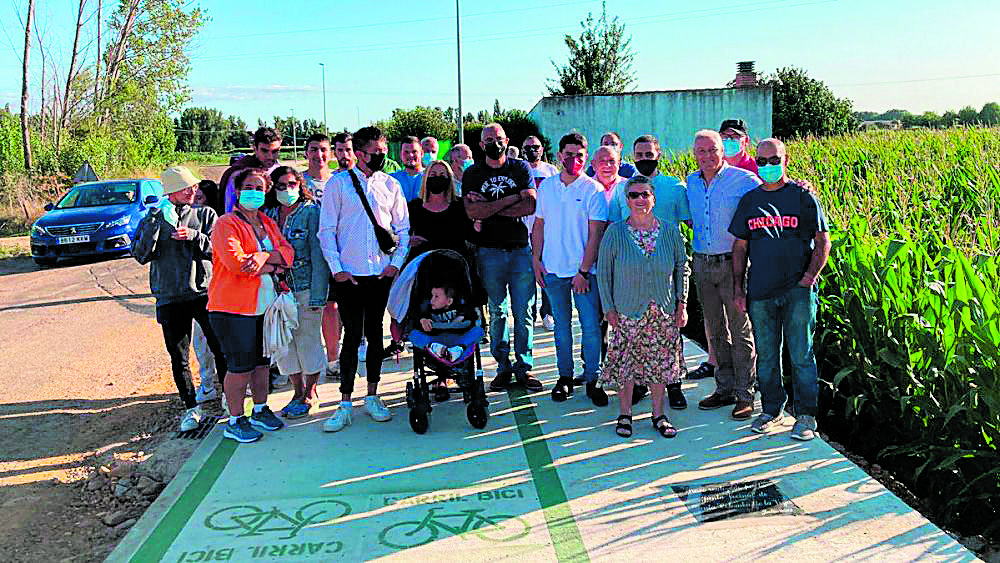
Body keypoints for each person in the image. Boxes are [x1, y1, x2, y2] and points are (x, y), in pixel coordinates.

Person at [730, 138, 831, 441]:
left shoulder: (802, 197)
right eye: (762, 161)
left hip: (798, 291)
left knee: (801, 353)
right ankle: (771, 409)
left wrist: (809, 277)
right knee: (767, 354)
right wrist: (739, 288)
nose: (768, 166)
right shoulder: (749, 201)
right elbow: (740, 246)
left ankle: (805, 416)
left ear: (785, 160)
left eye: (774, 160)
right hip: (760, 291)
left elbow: (823, 239)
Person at [318, 125, 410, 432]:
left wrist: (395, 264)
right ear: (359, 154)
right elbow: (327, 229)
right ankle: (344, 402)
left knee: (374, 334)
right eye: (376, 152)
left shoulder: (390, 185)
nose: (382, 157)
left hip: (380, 274)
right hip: (349, 277)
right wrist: (337, 268)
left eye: (385, 152)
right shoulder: (338, 184)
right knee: (351, 336)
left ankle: (373, 395)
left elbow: (403, 229)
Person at [131, 166, 228, 432]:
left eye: (194, 186)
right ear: (171, 191)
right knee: (179, 357)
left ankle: (231, 402)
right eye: (187, 187)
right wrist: (154, 222)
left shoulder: (205, 214)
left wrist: (195, 236)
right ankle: (191, 409)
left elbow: (218, 250)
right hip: (169, 296)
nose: (193, 191)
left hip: (204, 293)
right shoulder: (154, 217)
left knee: (220, 348)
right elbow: (140, 254)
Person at [598, 175, 689, 438]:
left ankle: (659, 414)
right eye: (634, 195)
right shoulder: (615, 232)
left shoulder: (670, 230)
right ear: (626, 200)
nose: (640, 200)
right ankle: (625, 414)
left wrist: (681, 305)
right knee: (627, 363)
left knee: (659, 364)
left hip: (663, 309)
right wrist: (609, 308)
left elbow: (682, 267)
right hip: (627, 308)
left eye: (645, 194)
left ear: (653, 198)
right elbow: (604, 273)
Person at [208, 167, 293, 443]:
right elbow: (238, 263)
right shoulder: (226, 224)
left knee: (261, 364)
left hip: (264, 307)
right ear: (237, 190)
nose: (254, 193)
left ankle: (259, 409)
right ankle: (235, 419)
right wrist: (272, 265)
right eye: (249, 187)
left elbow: (288, 253)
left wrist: (263, 256)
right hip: (233, 310)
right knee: (240, 366)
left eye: (260, 188)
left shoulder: (267, 223)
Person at [686, 130, 761, 421]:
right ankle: (724, 388)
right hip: (703, 263)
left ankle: (745, 394)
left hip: (733, 265)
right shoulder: (691, 182)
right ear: (694, 154)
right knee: (715, 329)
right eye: (700, 151)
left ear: (722, 151)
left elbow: (775, 189)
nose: (706, 156)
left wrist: (801, 188)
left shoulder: (744, 181)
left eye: (712, 150)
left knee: (740, 330)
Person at [463, 123, 542, 392]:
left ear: (507, 140)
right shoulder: (473, 173)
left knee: (524, 313)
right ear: (480, 144)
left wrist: (489, 207)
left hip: (520, 249)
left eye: (498, 139)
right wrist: (510, 199)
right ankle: (502, 367)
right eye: (489, 139)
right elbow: (473, 212)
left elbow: (531, 203)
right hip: (489, 252)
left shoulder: (520, 168)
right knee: (498, 312)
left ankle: (524, 367)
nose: (494, 143)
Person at [532, 132, 608, 405]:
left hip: (584, 275)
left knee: (590, 327)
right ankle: (565, 377)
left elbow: (595, 234)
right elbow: (538, 225)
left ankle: (593, 378)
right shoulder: (547, 187)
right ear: (559, 155)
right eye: (568, 154)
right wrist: (536, 260)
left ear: (585, 157)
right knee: (561, 328)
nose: (573, 159)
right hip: (553, 272)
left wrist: (584, 272)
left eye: (579, 155)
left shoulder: (593, 190)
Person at [264, 166, 330, 419]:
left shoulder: (311, 212)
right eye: (281, 185)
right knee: (285, 343)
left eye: (291, 184)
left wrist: (318, 295)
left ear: (299, 185)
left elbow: (318, 254)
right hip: (276, 290)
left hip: (304, 286)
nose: (287, 190)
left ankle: (311, 391)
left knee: (308, 340)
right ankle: (297, 389)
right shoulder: (267, 215)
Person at [302, 133, 343, 381]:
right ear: (307, 153)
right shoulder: (299, 182)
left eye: (324, 150)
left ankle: (332, 358)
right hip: (306, 254)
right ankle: (306, 363)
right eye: (314, 149)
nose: (319, 155)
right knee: (308, 308)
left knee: (332, 307)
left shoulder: (338, 181)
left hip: (335, 252)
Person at [521, 135, 557, 331]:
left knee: (545, 273)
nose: (532, 150)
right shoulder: (519, 169)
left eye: (535, 147)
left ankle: (548, 312)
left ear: (542, 149)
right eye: (528, 147)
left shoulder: (551, 171)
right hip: (524, 229)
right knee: (527, 276)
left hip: (546, 230)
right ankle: (530, 314)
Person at [191, 183, 220, 404]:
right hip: (195, 291)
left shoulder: (215, 220)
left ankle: (234, 385)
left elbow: (215, 249)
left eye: (199, 198)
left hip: (215, 288)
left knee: (223, 340)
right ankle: (208, 383)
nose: (194, 201)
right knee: (200, 341)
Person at [410, 284, 484, 365]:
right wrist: (422, 320)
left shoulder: (460, 308)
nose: (431, 300)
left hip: (458, 339)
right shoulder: (428, 310)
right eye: (432, 296)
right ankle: (434, 347)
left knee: (478, 331)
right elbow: (417, 320)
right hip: (435, 340)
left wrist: (462, 317)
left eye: (436, 297)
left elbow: (472, 316)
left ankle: (458, 349)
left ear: (449, 301)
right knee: (413, 334)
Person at [220, 127, 282, 212]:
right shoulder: (240, 172)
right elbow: (229, 207)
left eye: (275, 151)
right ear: (255, 148)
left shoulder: (279, 171)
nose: (270, 157)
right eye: (264, 151)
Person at [390, 136, 425, 202]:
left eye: (414, 151)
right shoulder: (392, 179)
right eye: (406, 152)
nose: (410, 155)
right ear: (400, 154)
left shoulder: (429, 177)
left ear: (421, 153)